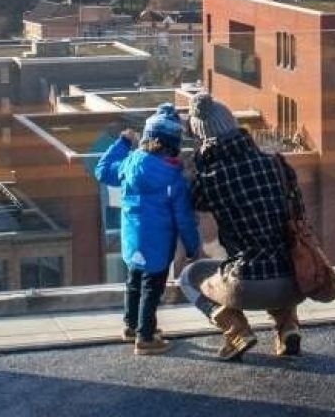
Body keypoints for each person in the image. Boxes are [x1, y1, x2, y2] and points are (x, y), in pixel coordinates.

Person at [179, 91, 306, 361]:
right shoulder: (276, 164)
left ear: (203, 137)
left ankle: (237, 330)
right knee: (280, 256)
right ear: (234, 126)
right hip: (294, 281)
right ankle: (288, 328)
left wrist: (199, 162)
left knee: (190, 276)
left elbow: (195, 203)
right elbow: (300, 213)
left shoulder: (210, 177)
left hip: (247, 284)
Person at [94, 106, 201, 355]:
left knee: (134, 283)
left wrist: (122, 143)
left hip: (132, 238)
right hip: (159, 243)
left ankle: (131, 326)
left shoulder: (130, 163)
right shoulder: (174, 178)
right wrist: (193, 246)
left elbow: (102, 171)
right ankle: (145, 336)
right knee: (152, 289)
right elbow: (183, 217)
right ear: (173, 145)